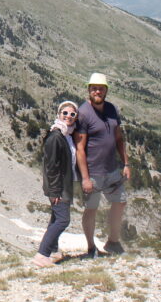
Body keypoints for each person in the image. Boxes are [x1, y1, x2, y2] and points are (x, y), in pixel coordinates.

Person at [74, 72, 130, 257]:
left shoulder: (112, 109)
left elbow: (119, 138)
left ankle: (113, 242)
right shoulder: (83, 113)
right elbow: (80, 148)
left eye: (101, 88)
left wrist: (126, 163)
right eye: (94, 88)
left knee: (120, 202)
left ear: (106, 91)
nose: (97, 91)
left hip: (112, 168)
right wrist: (85, 178)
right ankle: (91, 247)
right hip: (93, 172)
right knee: (91, 209)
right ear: (89, 90)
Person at [32, 101, 80, 267]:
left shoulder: (66, 135)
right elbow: (51, 167)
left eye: (72, 114)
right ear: (59, 114)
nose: (68, 116)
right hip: (58, 187)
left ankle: (52, 252)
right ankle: (42, 255)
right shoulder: (56, 136)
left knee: (55, 218)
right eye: (65, 113)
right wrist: (55, 191)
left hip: (63, 184)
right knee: (62, 220)